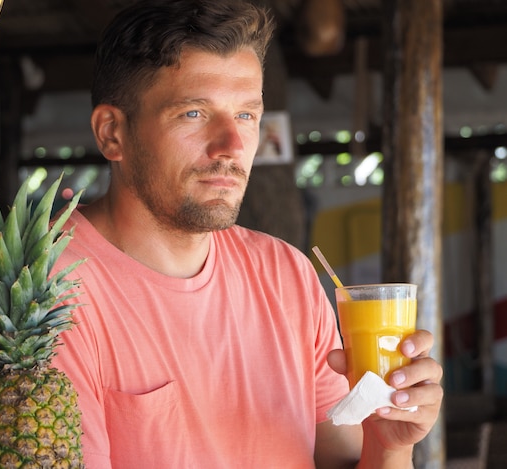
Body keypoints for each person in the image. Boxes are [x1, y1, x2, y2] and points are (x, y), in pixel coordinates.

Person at [33, 0, 444, 466]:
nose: (232, 146)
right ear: (112, 133)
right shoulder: (43, 293)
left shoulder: (288, 275)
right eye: (193, 113)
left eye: (247, 115)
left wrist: (390, 445)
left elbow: (343, 459)